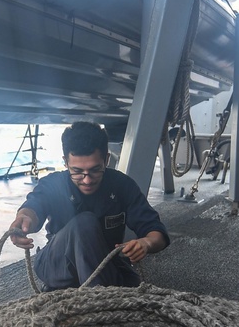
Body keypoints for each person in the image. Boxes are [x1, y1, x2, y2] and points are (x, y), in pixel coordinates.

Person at [10, 121, 170, 289]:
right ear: (65, 162)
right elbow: (33, 207)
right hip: (58, 265)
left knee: (133, 284)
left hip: (104, 261)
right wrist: (24, 218)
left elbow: (156, 232)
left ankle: (96, 296)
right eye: (77, 172)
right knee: (85, 223)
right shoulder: (53, 184)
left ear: (106, 159)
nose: (87, 180)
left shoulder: (122, 185)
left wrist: (146, 243)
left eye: (95, 170)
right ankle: (99, 299)